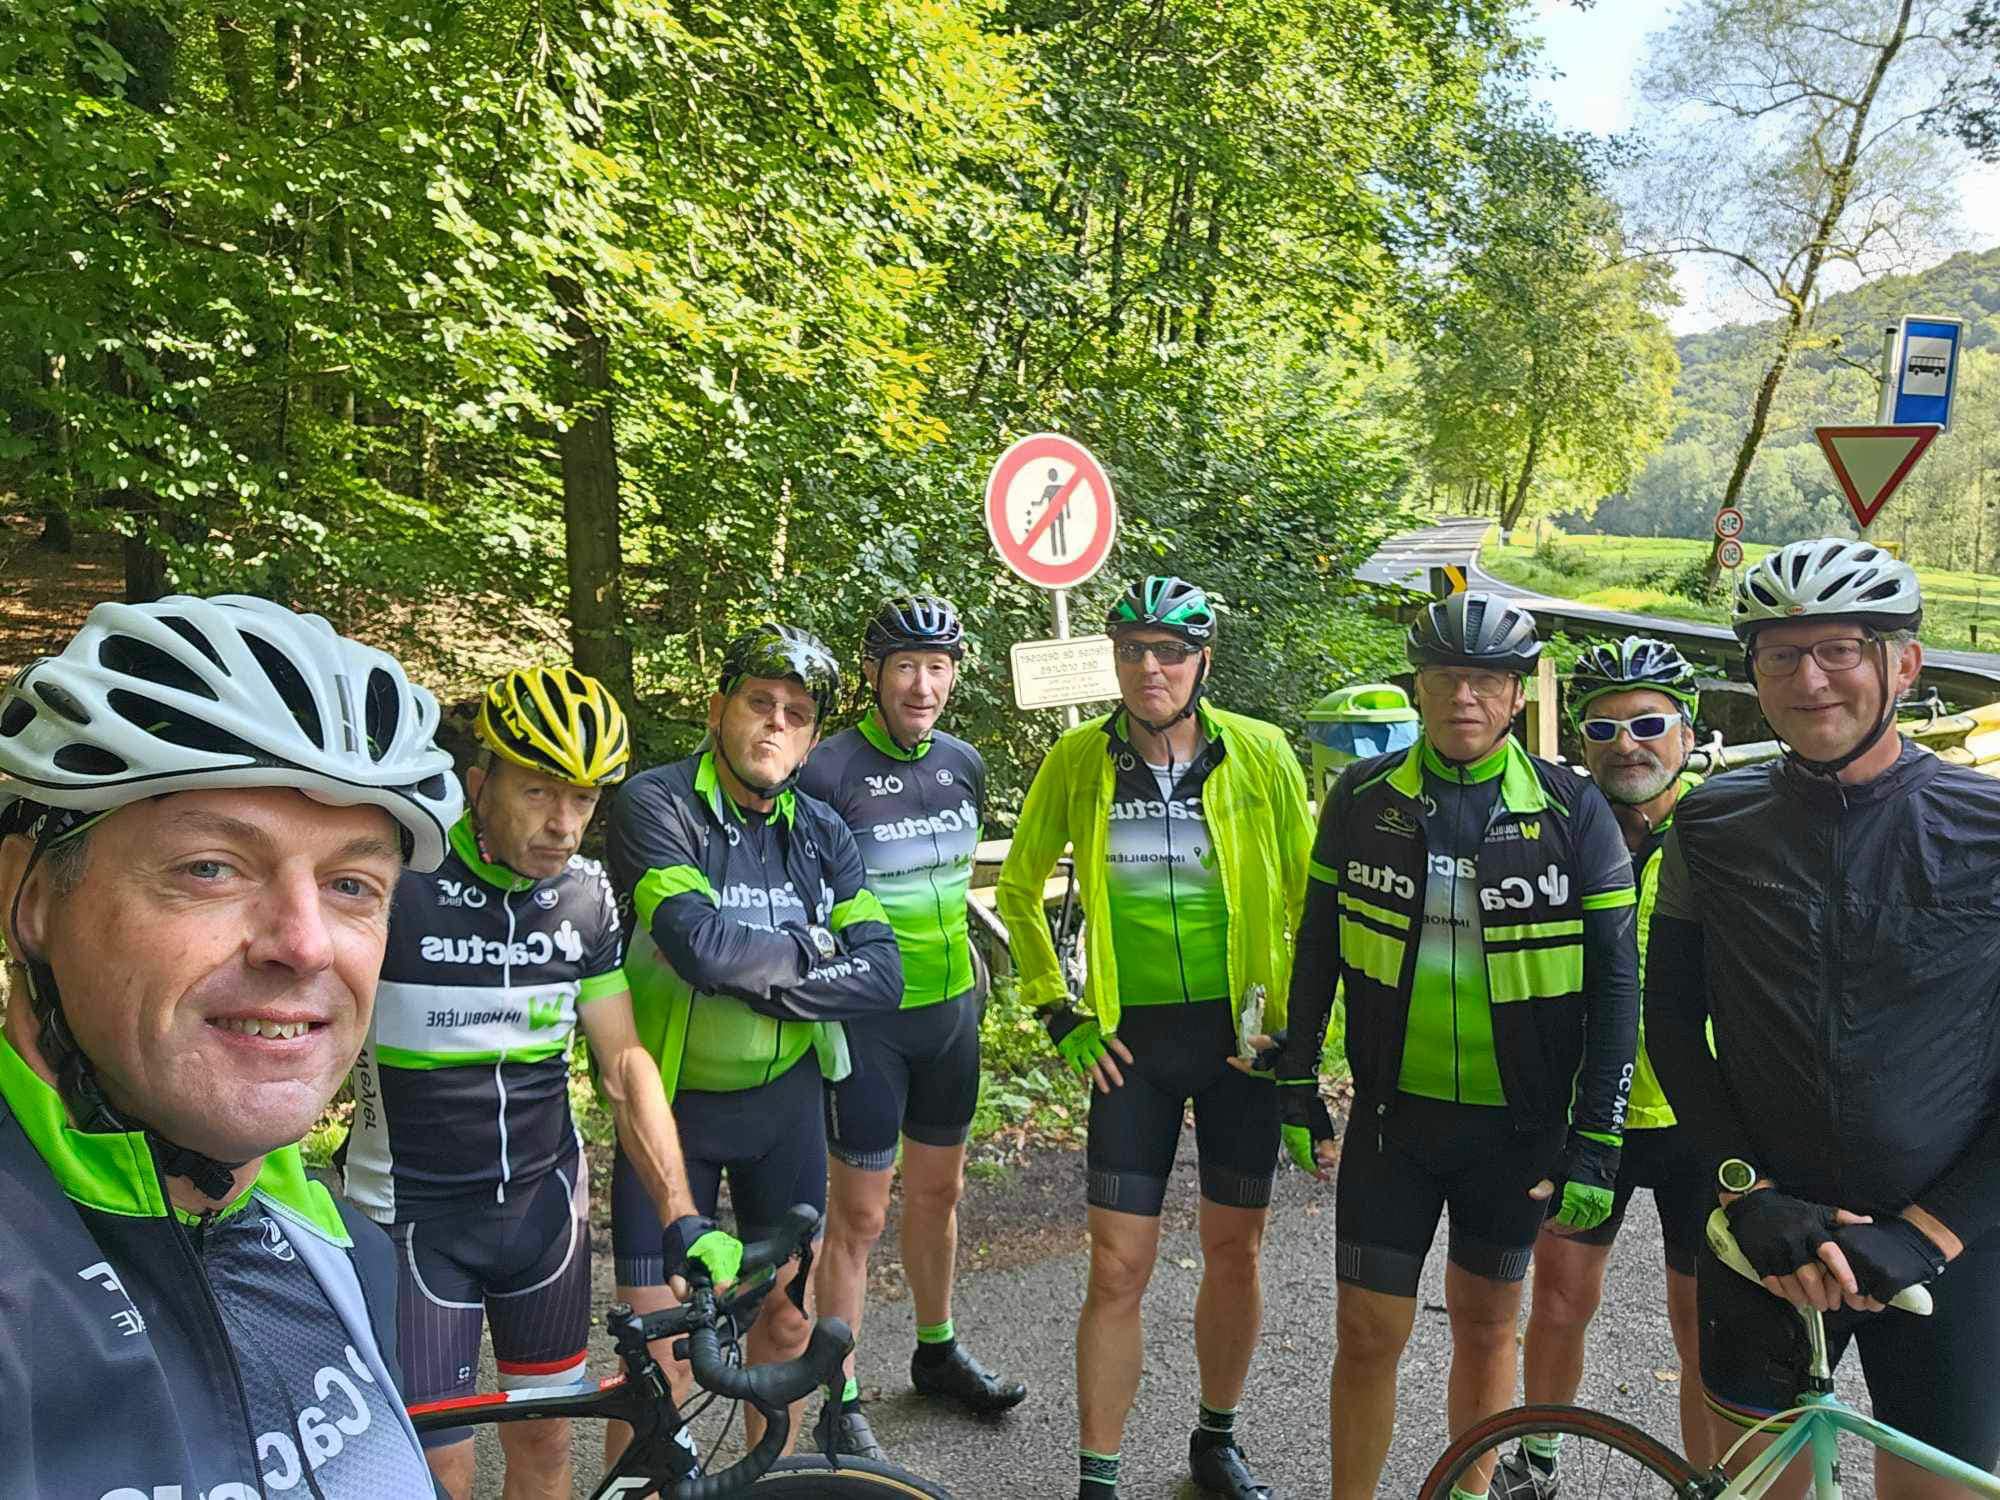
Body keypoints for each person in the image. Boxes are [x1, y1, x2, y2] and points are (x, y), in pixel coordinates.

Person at [0, 594, 460, 1498]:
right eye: (210, 868)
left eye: (352, 885)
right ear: (32, 896)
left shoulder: (341, 1252)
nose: (306, 944)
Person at [1646, 538, 2000, 1496]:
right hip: (1765, 1238)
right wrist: (1745, 1190)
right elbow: (1672, 1022)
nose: (1810, 681)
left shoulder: (1988, 826)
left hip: (1949, 1246)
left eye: (1841, 649)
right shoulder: (1708, 824)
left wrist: (1929, 1234)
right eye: (1780, 656)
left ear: (1904, 664)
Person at [1271, 591, 1639, 1500]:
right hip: (1393, 1124)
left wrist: (1597, 1139)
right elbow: (1318, 945)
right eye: (1444, 678)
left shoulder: (1573, 809)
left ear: (1517, 695)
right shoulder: (1363, 797)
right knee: (1367, 1335)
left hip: (1517, 1133)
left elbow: (1617, 985)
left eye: (1485, 680)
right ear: (1419, 689)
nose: (1463, 697)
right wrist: (1296, 1079)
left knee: (1486, 1329)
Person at [342, 665, 732, 1499]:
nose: (564, 824)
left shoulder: (585, 897)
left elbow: (623, 1065)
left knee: (548, 1443)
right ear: (478, 782)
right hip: (413, 1221)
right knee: (438, 1471)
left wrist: (681, 1214)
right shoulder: (400, 882)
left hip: (542, 1214)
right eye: (539, 792)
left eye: (584, 799)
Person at [997, 574, 1314, 1500]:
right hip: (1132, 1046)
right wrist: (1059, 1013)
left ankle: (1216, 1438)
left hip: (1240, 1042)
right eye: (1132, 651)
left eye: (1170, 652)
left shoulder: (1260, 752)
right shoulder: (1077, 759)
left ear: (1201, 662)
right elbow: (1018, 888)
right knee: (1117, 1266)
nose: (1150, 669)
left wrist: (1301, 1038)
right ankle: (1098, 1479)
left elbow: (1309, 898)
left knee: (1234, 1253)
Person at [605, 622, 904, 1453]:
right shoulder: (656, 804)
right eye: (759, 703)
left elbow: (883, 975)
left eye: (796, 715)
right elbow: (699, 949)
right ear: (717, 710)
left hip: (786, 1110)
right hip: (674, 1110)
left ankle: (767, 1479)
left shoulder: (823, 832)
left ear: (811, 741)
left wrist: (759, 967)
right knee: (657, 1358)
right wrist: (817, 951)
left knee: (786, 1322)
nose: (776, 724)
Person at [800, 595, 1026, 1459]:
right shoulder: (828, 768)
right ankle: (838, 1393)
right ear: (874, 674)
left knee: (940, 1194)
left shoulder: (963, 763)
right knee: (857, 1217)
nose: (922, 685)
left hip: (950, 1013)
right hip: (868, 1025)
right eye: (906, 667)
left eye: (938, 667)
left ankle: (937, 1352)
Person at [1495, 637, 1715, 1497]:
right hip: (1593, 1112)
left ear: (1688, 733)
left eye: (1648, 724)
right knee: (1559, 1300)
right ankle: (1538, 1461)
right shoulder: (1558, 830)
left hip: (1703, 1114)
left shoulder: (1727, 827)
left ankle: (1707, 1481)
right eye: (1603, 728)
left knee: (1702, 1327)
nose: (1627, 744)